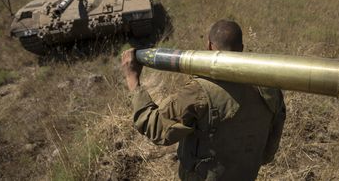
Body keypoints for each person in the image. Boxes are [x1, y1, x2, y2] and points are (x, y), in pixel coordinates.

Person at [121, 20, 286, 181]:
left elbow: (155, 127)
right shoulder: (269, 88)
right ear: (241, 49)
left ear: (208, 46)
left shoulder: (198, 92)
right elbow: (269, 149)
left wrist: (132, 79)